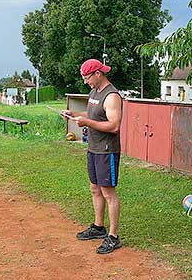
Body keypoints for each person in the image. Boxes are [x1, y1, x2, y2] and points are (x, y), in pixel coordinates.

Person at [61, 59, 122, 254]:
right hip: (93, 148)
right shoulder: (94, 92)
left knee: (108, 192)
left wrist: (86, 122)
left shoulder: (111, 96)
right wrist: (75, 114)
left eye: (88, 77)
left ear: (98, 73)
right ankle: (98, 227)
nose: (86, 81)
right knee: (95, 188)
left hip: (107, 150)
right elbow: (93, 114)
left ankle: (113, 237)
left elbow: (114, 126)